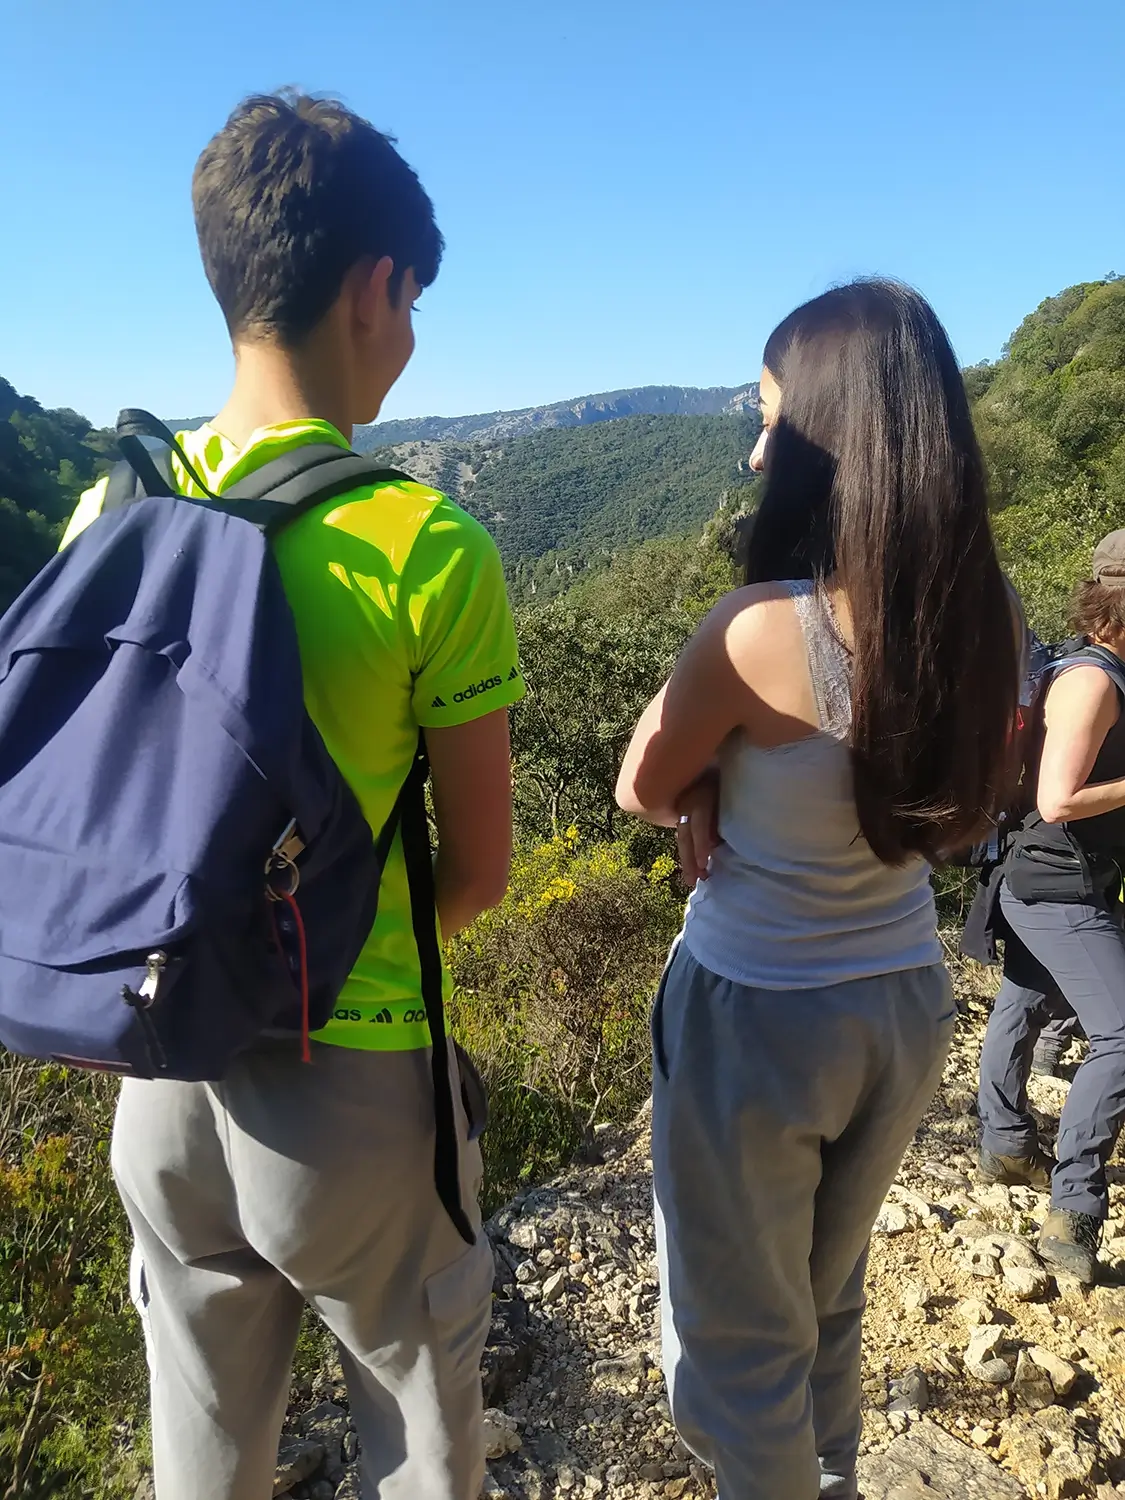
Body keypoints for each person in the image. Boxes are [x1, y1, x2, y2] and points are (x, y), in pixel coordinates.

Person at [61, 93, 523, 1500]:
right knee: (419, 1434)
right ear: (375, 286)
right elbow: (481, 870)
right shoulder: (426, 547)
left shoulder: (114, 512)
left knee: (199, 1455)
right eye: (415, 300)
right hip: (352, 1069)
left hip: (158, 1060)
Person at [616, 279, 1020, 1500]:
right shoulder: (989, 616)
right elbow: (958, 804)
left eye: (770, 418)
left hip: (758, 1012)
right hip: (900, 1000)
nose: (753, 447)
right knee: (828, 1294)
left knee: (737, 1350)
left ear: (828, 440)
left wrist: (698, 794)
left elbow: (641, 780)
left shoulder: (756, 633)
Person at [977, 536, 1125, 1285]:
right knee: (1123, 1035)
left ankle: (1003, 1144)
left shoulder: (1083, 664)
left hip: (1047, 878)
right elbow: (1059, 799)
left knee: (1023, 1000)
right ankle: (1072, 1211)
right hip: (1055, 883)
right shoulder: (1092, 684)